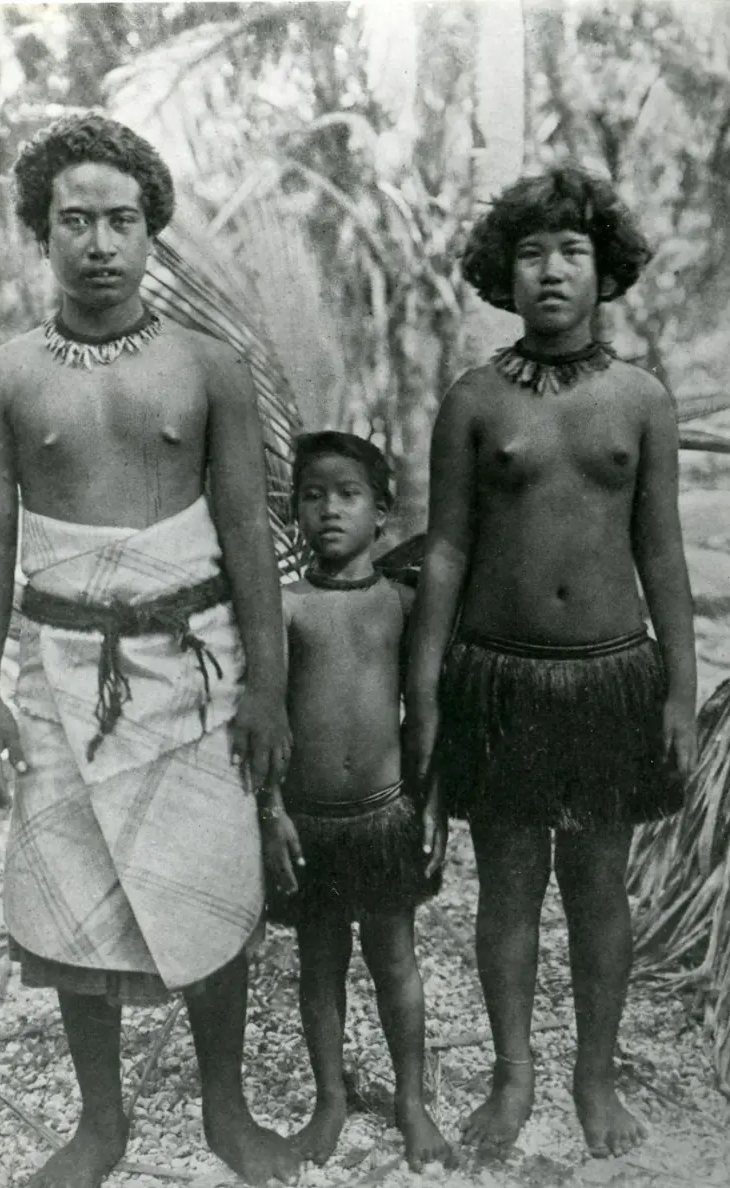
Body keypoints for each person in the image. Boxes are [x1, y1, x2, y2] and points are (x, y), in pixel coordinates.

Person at [0, 113, 299, 1188]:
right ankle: (100, 1125)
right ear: (39, 235)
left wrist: (270, 689)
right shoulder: (1, 379)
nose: (98, 244)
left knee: (206, 878)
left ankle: (224, 1114)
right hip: (57, 676)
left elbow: (247, 535)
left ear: (153, 232)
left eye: (120, 221)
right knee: (70, 890)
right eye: (74, 222)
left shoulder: (209, 370)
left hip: (193, 669)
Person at [406, 165, 697, 1159]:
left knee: (597, 886)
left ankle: (593, 1072)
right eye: (528, 253)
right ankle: (510, 1071)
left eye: (570, 250)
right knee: (506, 885)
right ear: (503, 273)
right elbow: (442, 548)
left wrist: (679, 692)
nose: (550, 270)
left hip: (611, 674)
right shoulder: (475, 402)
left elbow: (661, 551)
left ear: (602, 268)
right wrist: (425, 688)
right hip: (498, 675)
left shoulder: (640, 401)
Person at [258, 432, 454, 1173]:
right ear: (293, 510)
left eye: (348, 495)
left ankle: (411, 1098)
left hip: (383, 813)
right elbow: (267, 721)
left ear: (382, 511)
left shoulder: (403, 606)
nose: (329, 510)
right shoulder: (286, 609)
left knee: (395, 957)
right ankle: (330, 1098)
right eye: (313, 495)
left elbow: (430, 713)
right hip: (308, 819)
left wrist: (434, 801)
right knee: (319, 962)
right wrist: (270, 811)